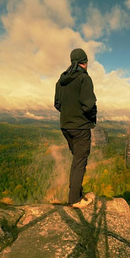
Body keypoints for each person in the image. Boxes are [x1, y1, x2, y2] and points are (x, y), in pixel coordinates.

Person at [54, 48, 97, 208]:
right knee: (80, 161)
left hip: (65, 126)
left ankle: (75, 194)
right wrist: (91, 119)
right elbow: (88, 105)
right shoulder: (84, 78)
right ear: (84, 62)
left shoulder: (61, 80)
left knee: (76, 160)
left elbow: (57, 104)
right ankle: (75, 200)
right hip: (80, 128)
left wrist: (69, 113)